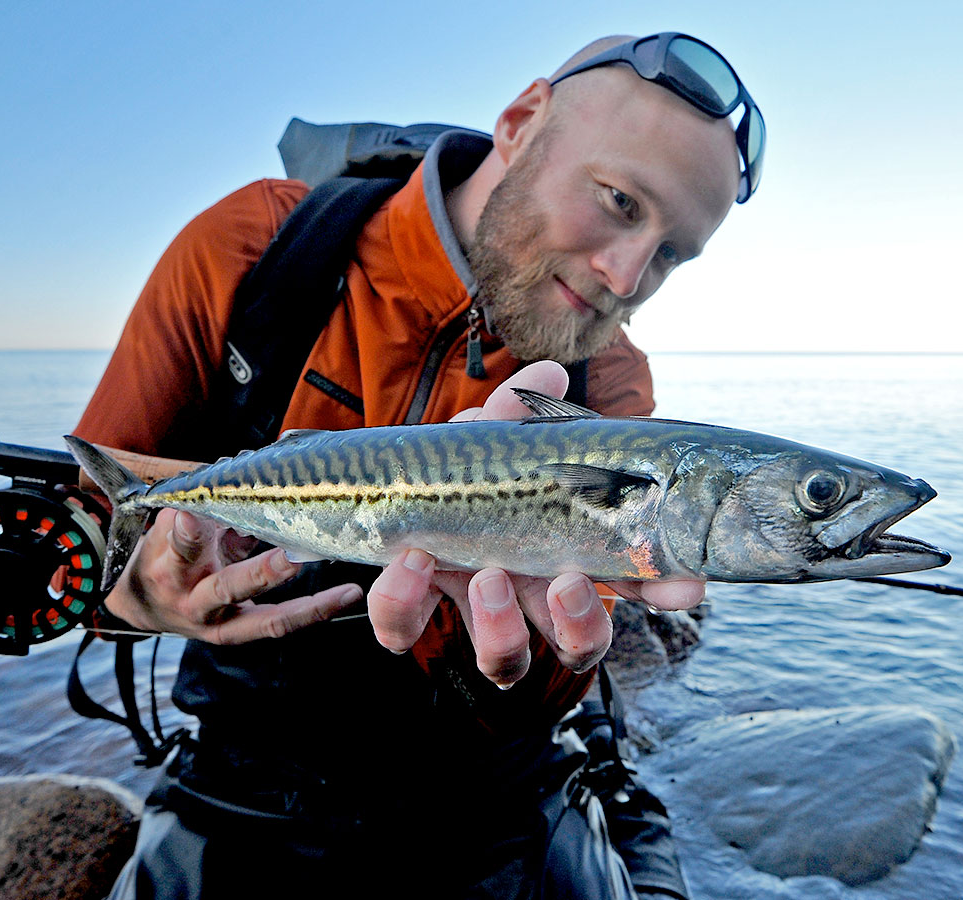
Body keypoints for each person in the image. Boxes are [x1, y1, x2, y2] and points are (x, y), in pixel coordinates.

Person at [74, 32, 763, 899]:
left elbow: (564, 657)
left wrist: (532, 668)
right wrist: (134, 598)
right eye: (621, 202)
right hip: (246, 786)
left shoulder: (611, 377)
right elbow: (82, 532)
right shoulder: (255, 249)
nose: (627, 278)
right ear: (520, 123)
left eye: (670, 255)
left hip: (492, 796)